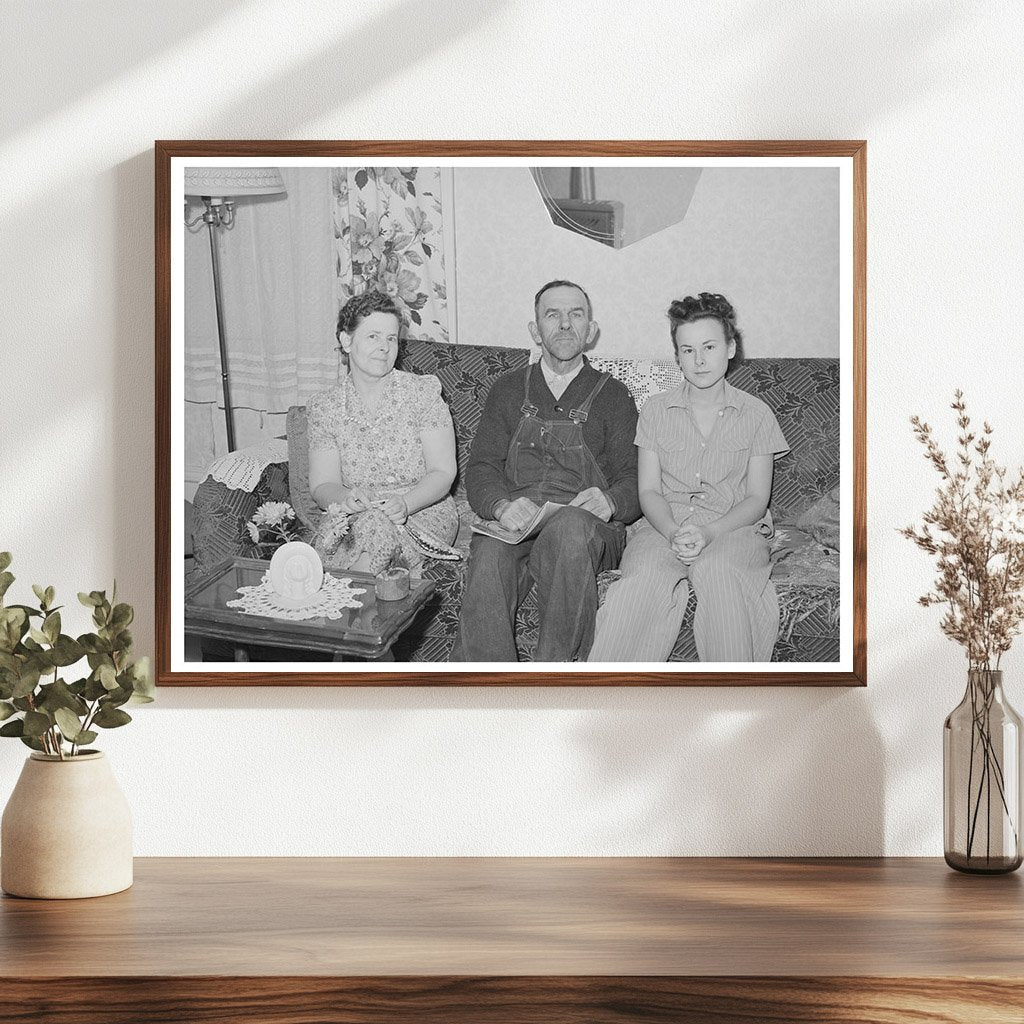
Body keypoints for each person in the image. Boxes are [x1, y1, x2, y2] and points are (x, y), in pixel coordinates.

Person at [588, 292, 789, 663]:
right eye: (687, 350)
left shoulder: (757, 414)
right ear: (677, 355)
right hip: (664, 528)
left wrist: (710, 532)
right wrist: (671, 532)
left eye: (709, 347)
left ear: (730, 348)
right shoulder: (655, 411)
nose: (699, 360)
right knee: (643, 580)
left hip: (733, 528)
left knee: (718, 571)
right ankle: (607, 699)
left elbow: (756, 499)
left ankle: (732, 700)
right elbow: (648, 489)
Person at [450, 280, 640, 662]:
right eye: (552, 315)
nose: (565, 324)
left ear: (591, 330)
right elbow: (482, 468)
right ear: (535, 331)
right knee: (488, 553)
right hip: (518, 523)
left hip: (585, 527)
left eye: (576, 314)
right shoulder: (507, 389)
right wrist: (502, 507)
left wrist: (611, 501)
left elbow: (636, 478)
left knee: (569, 531)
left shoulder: (615, 396)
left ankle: (558, 680)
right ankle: (487, 692)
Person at [306, 290, 458, 573]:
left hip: (421, 510)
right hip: (355, 514)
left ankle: (351, 604)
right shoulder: (324, 407)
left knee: (376, 527)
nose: (385, 347)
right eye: (373, 336)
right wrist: (346, 500)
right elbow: (322, 484)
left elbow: (442, 472)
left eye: (391, 338)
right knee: (367, 525)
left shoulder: (423, 393)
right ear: (346, 340)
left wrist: (406, 503)